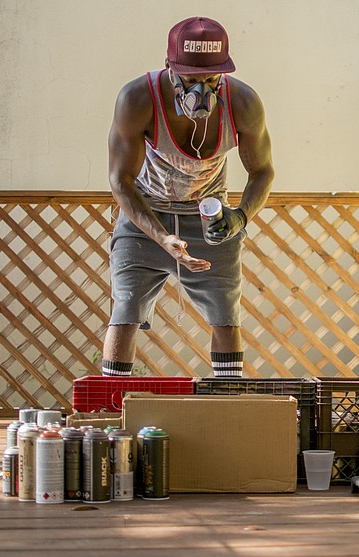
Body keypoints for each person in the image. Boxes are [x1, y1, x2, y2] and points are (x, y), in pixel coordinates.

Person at [102, 16, 274, 378]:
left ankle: (229, 403)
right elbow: (120, 180)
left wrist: (239, 218)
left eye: (212, 80)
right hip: (146, 212)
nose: (202, 92)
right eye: (191, 81)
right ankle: (112, 406)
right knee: (125, 309)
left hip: (209, 216)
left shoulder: (242, 101)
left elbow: (263, 171)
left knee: (225, 313)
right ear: (170, 67)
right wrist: (160, 236)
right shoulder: (137, 99)